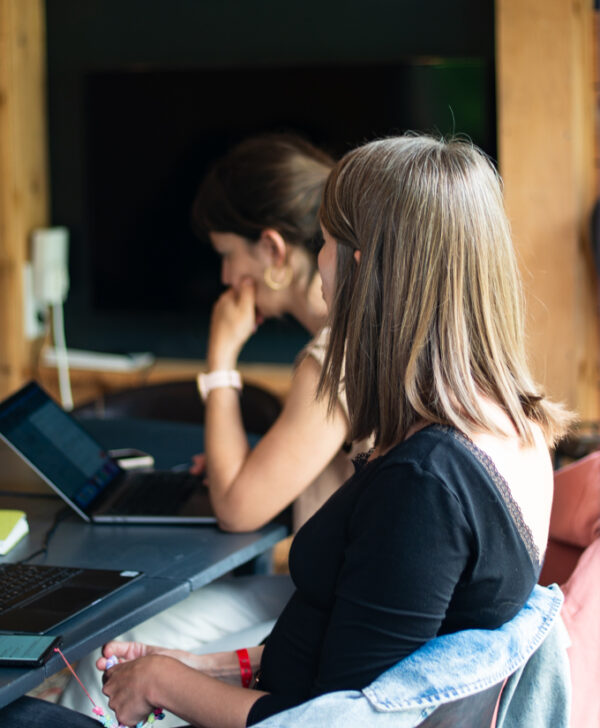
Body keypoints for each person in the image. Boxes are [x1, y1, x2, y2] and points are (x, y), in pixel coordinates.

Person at [3, 133, 574, 728]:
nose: (319, 264)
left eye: (324, 243)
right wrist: (214, 666)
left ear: (361, 269)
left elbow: (326, 718)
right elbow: (354, 654)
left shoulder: (426, 483)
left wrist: (165, 680)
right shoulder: (516, 428)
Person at [60, 134, 369, 724]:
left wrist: (221, 355)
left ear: (274, 250)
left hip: (329, 620)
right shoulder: (351, 341)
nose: (226, 275)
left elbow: (236, 509)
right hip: (330, 604)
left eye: (230, 254)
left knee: (107, 660)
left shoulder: (333, 356)